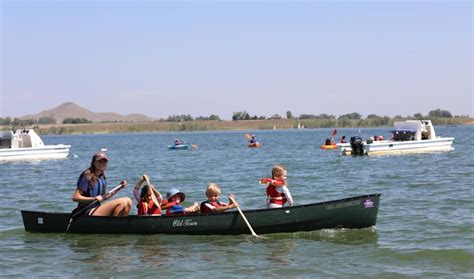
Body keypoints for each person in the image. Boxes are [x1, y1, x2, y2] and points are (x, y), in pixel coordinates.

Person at [72, 151, 132, 216]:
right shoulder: (87, 176)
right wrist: (93, 199)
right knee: (124, 201)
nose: (102, 163)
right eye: (99, 161)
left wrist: (119, 188)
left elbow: (103, 197)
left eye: (104, 161)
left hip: (96, 209)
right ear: (94, 162)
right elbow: (75, 197)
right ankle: (114, 224)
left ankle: (117, 224)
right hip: (85, 211)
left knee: (128, 203)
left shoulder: (102, 177)